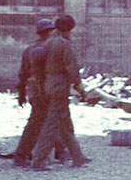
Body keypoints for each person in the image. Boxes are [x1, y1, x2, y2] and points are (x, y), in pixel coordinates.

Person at [29, 14, 90, 171]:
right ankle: (38, 159)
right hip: (59, 88)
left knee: (65, 124)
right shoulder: (64, 44)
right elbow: (72, 68)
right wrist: (80, 88)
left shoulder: (47, 43)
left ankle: (78, 157)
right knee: (52, 125)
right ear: (68, 29)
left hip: (49, 87)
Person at [8, 18, 55, 166]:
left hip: (34, 89)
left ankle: (56, 153)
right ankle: (21, 154)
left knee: (49, 120)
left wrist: (21, 93)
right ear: (48, 32)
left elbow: (22, 74)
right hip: (42, 89)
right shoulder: (49, 49)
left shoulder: (29, 49)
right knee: (37, 122)